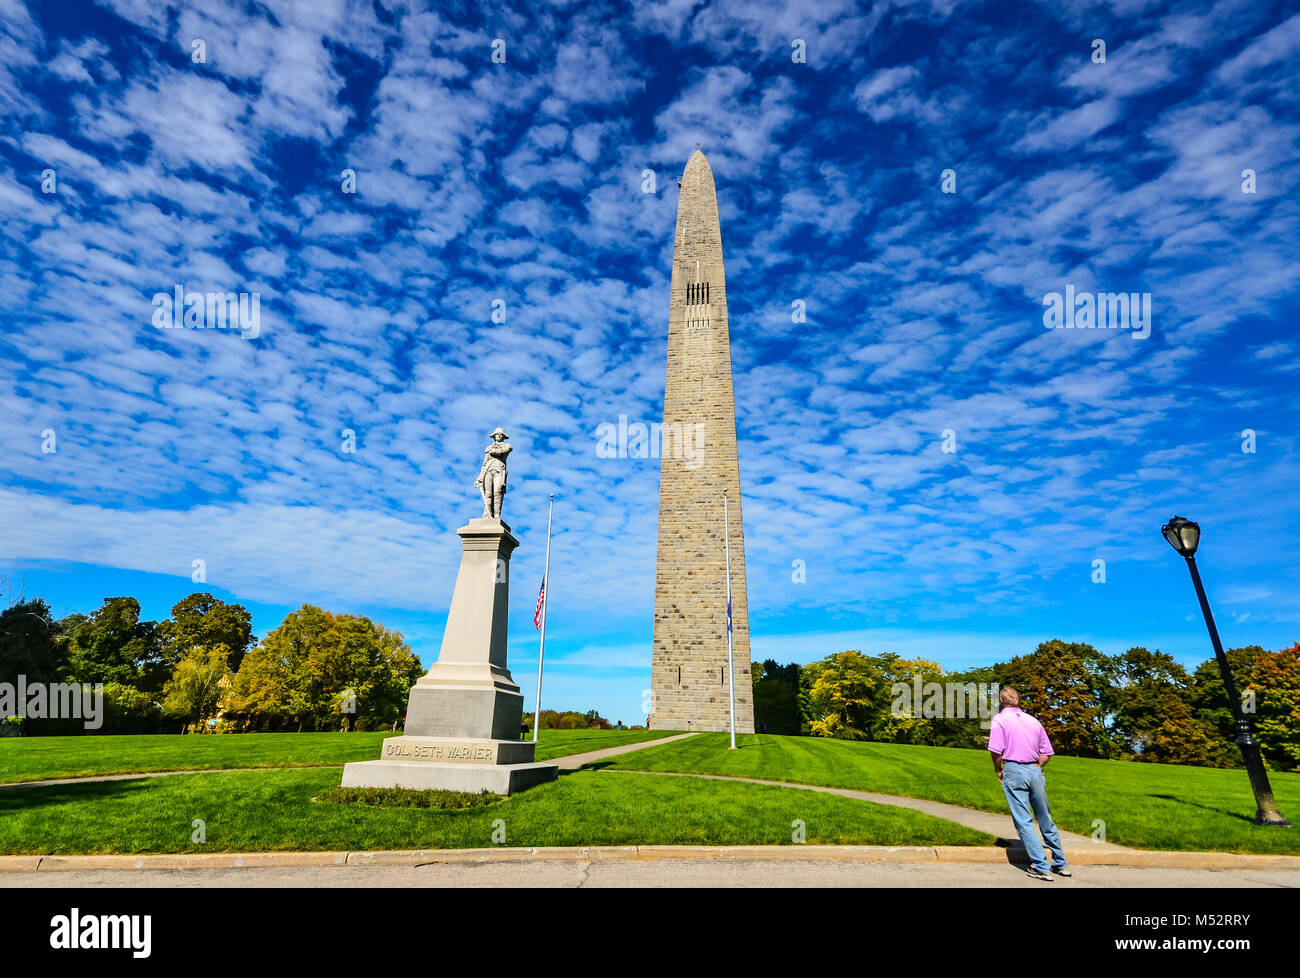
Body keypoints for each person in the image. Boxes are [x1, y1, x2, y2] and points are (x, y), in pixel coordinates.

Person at [987, 686, 1070, 882]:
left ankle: (1041, 867)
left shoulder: (999, 720)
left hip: (1014, 770)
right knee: (1045, 818)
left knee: (1023, 820)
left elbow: (996, 751)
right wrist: (1033, 766)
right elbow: (1047, 753)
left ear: (1001, 701)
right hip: (1035, 770)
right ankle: (1061, 863)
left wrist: (998, 769)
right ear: (1019, 701)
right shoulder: (1033, 721)